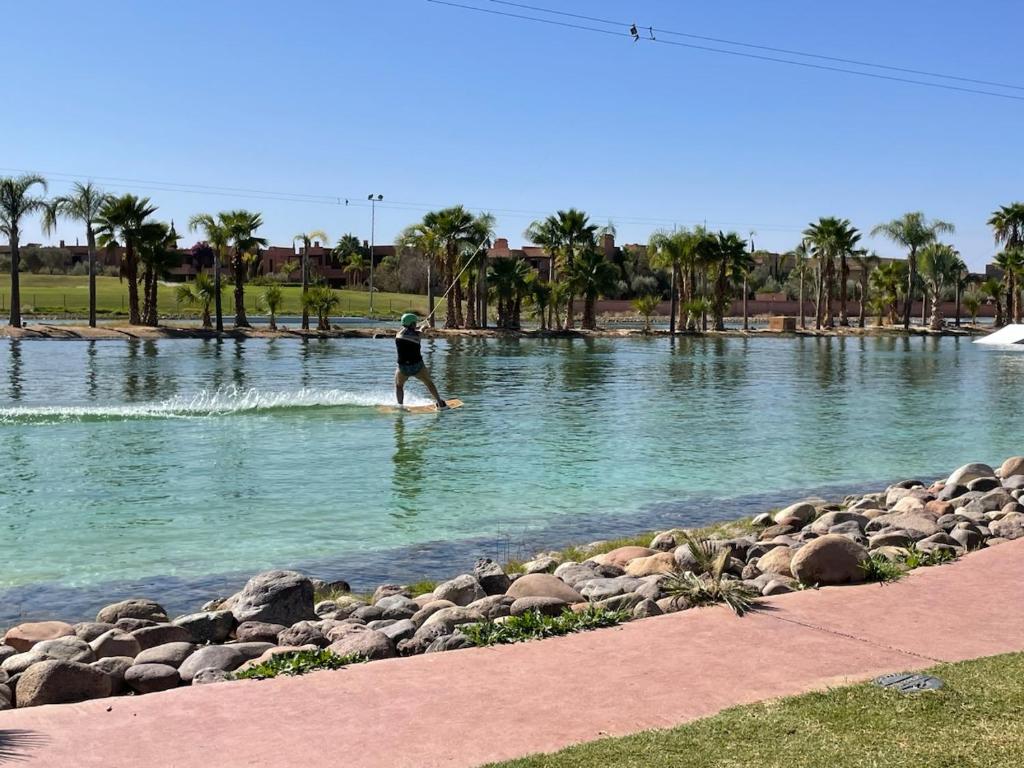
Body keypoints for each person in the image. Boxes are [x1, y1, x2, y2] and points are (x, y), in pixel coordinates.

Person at [395, 313, 447, 409]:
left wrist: (419, 326)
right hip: (417, 366)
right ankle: (440, 403)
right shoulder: (417, 335)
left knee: (399, 386)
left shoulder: (398, 335)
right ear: (412, 324)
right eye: (414, 323)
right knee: (429, 383)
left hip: (403, 368)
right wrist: (424, 326)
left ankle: (400, 406)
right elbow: (420, 332)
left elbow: (411, 330)